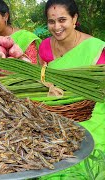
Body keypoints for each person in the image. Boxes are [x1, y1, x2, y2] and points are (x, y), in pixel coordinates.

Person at [38, 0, 105, 179]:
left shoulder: (95, 47)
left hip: (90, 111)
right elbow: (41, 77)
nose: (56, 27)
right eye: (51, 22)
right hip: (55, 112)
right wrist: (49, 86)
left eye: (62, 20)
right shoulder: (45, 46)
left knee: (85, 155)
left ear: (74, 18)